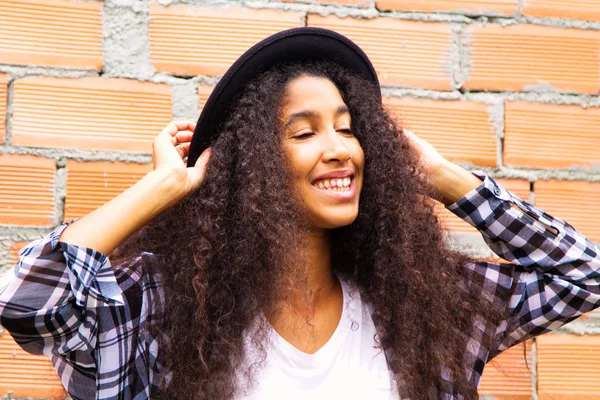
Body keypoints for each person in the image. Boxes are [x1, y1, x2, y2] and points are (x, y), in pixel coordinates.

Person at [1, 28, 599, 400]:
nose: (340, 147)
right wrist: (162, 186)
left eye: (347, 128)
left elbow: (585, 276)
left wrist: (449, 181)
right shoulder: (160, 306)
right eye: (304, 132)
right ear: (252, 163)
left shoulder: (424, 305)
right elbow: (28, 302)